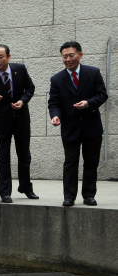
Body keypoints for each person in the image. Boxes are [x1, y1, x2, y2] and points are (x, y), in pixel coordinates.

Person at [49, 41, 108, 207]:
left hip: (92, 126)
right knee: (70, 162)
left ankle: (89, 195)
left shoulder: (93, 73)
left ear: (80, 55)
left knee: (91, 162)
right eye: (65, 56)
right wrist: (55, 116)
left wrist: (88, 103)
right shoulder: (57, 79)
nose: (68, 59)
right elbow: (54, 103)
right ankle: (69, 196)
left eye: (71, 55)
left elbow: (102, 95)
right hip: (70, 127)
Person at [0, 44, 37, 203]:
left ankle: (26, 187)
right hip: (2, 123)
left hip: (21, 120)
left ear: (8, 57)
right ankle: (5, 192)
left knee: (24, 156)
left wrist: (22, 101)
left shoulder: (20, 69)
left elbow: (30, 89)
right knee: (3, 159)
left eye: (0, 57)